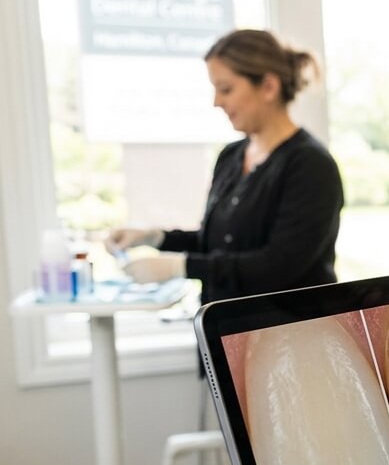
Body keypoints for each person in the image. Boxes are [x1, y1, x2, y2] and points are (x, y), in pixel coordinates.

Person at [106, 29, 343, 305]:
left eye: (226, 89)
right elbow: (219, 244)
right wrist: (154, 238)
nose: (216, 102)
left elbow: (279, 266)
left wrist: (180, 267)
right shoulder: (231, 156)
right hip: (224, 331)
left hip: (286, 335)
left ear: (268, 86)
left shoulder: (310, 166)